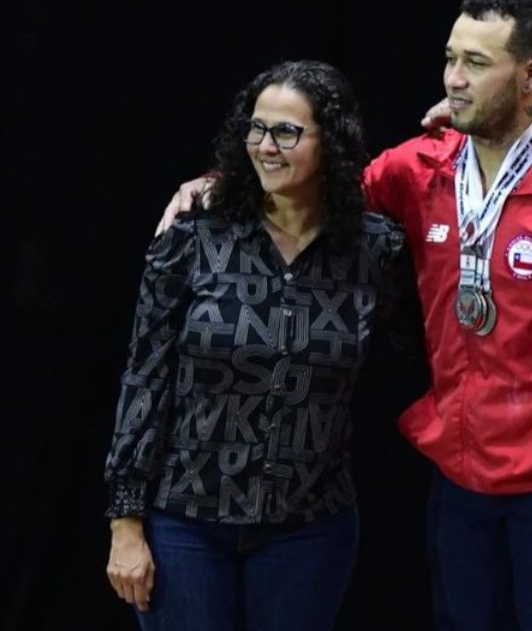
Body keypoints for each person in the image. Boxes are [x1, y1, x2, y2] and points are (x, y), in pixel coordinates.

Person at [157, 0, 532, 631]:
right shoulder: (422, 167)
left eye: (476, 64)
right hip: (460, 480)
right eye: (450, 59)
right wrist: (224, 183)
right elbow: (325, 192)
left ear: (530, 77)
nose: (454, 79)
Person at [104, 60, 417, 631]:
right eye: (256, 128)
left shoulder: (376, 250)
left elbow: (430, 349)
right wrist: (125, 524)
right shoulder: (194, 234)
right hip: (186, 522)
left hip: (309, 528)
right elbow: (143, 378)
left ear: (333, 143)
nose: (265, 146)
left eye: (286, 132)